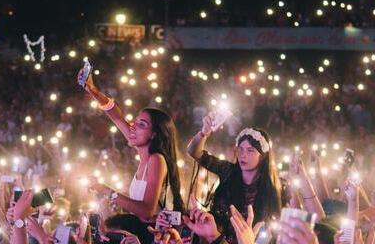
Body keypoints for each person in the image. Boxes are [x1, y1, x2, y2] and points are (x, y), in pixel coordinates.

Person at [81, 71, 184, 222]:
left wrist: (107, 191)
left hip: (154, 239)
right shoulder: (146, 156)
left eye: (142, 124)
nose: (133, 127)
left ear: (154, 134)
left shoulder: (157, 160)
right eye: (135, 122)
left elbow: (147, 211)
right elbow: (116, 116)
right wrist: (94, 91)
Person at [187, 111, 285, 226]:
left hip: (251, 243)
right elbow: (194, 152)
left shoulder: (272, 186)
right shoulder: (228, 171)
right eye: (240, 149)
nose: (242, 155)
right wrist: (204, 133)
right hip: (217, 239)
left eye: (250, 150)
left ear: (263, 156)